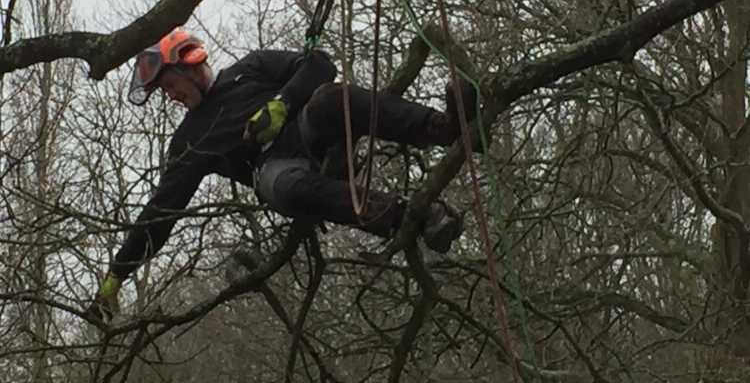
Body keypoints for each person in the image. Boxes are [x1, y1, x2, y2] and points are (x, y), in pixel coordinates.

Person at [86, 28, 476, 322]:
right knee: (285, 185)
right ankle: (415, 215)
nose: (171, 97)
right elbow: (161, 211)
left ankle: (445, 129)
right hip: (274, 171)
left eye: (170, 85)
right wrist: (115, 277)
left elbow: (319, 63)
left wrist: (282, 104)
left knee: (328, 97)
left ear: (188, 65)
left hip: (311, 133)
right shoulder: (190, 139)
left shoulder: (250, 68)